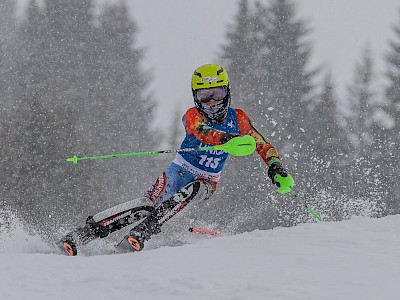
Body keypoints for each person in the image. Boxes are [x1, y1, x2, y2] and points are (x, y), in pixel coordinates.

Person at [59, 64, 294, 256]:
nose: (213, 103)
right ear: (196, 97)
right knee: (145, 206)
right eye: (205, 96)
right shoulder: (192, 115)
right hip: (178, 172)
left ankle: (144, 232)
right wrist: (225, 139)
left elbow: (262, 144)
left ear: (227, 92)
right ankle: (81, 235)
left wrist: (275, 166)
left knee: (197, 188)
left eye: (218, 94)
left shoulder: (238, 118)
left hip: (207, 181)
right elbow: (201, 131)